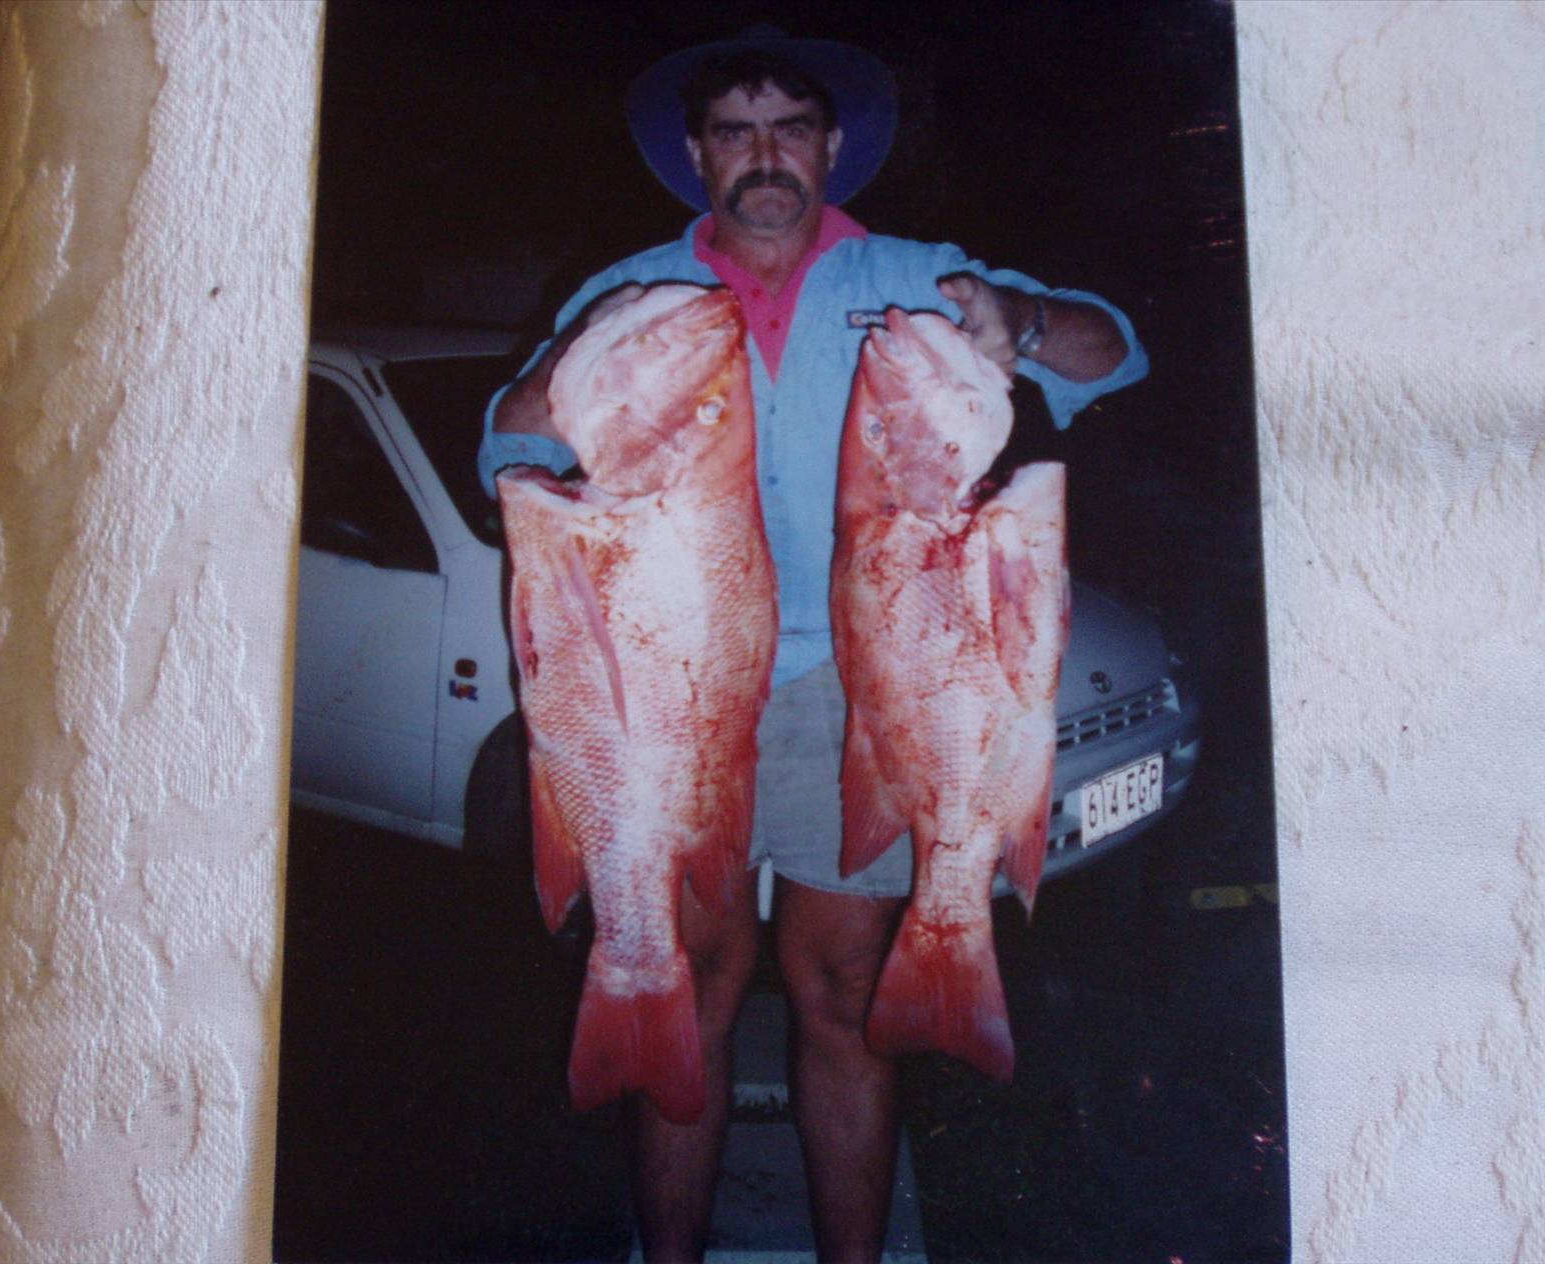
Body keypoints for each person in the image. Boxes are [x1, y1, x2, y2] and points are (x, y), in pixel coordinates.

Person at [479, 28, 1147, 1264]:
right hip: (669, 682)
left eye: (791, 127)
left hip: (864, 679)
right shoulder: (628, 295)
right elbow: (505, 455)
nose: (766, 155)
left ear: (833, 146)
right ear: (697, 155)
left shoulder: (919, 278)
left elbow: (1114, 353)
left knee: (840, 999)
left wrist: (1025, 322)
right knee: (695, 975)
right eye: (736, 130)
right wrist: (552, 389)